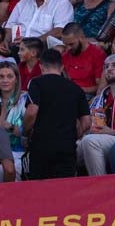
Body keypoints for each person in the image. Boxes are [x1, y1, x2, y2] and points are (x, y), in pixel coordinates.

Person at [23, 50, 90, 179]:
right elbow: (86, 122)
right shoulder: (76, 89)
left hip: (41, 146)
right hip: (67, 148)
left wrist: (25, 133)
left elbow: (32, 112)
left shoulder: (36, 83)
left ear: (41, 66)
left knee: (39, 190)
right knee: (65, 190)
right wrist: (72, 136)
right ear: (62, 67)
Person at [76, 54, 115, 176]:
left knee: (90, 141)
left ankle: (101, 185)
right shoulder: (96, 100)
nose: (109, 69)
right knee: (67, 147)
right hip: (98, 138)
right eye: (106, 66)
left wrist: (112, 132)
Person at [59, 23, 105, 95]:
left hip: (87, 96)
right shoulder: (65, 56)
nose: (68, 48)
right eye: (65, 44)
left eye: (71, 44)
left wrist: (78, 89)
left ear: (82, 38)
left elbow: (100, 87)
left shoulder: (98, 54)